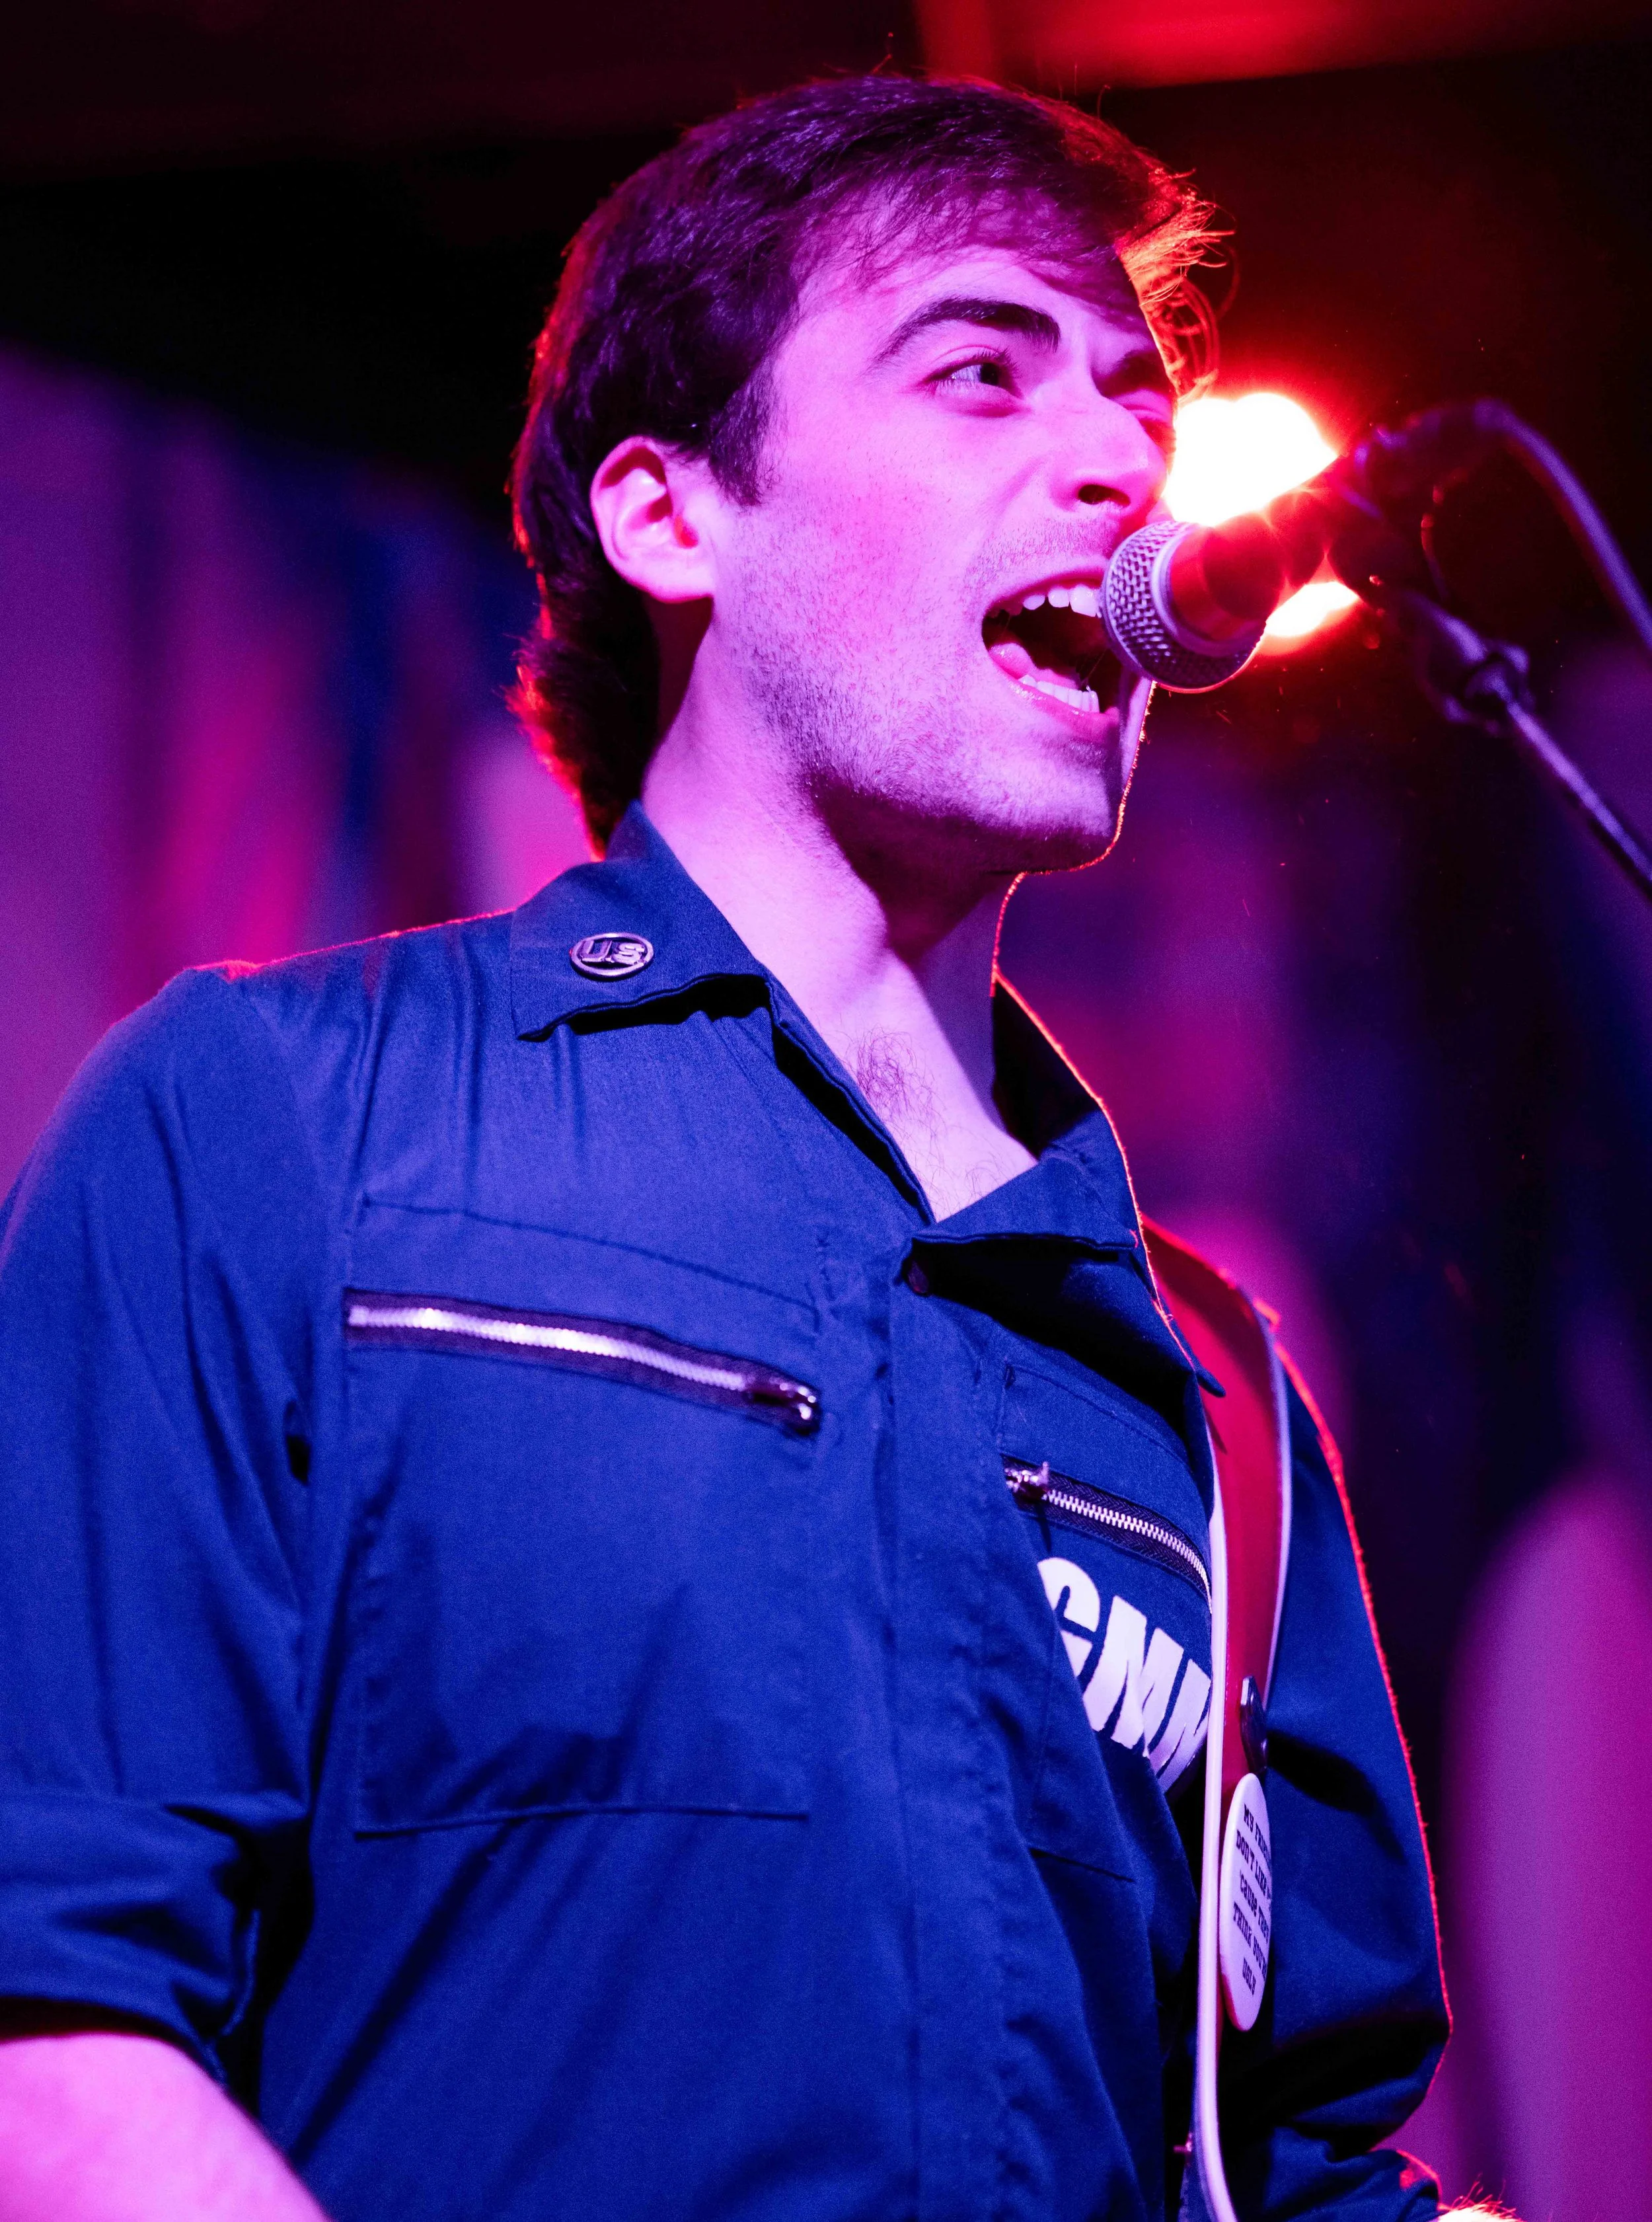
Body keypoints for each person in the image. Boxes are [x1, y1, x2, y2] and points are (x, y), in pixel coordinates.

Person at [0, 73, 1448, 2222]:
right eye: (980, 369)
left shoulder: (1212, 1399)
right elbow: (49, 2025)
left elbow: (1301, 2158)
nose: (1119, 462)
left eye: (1137, 400)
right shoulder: (284, 1126)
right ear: (671, 515)